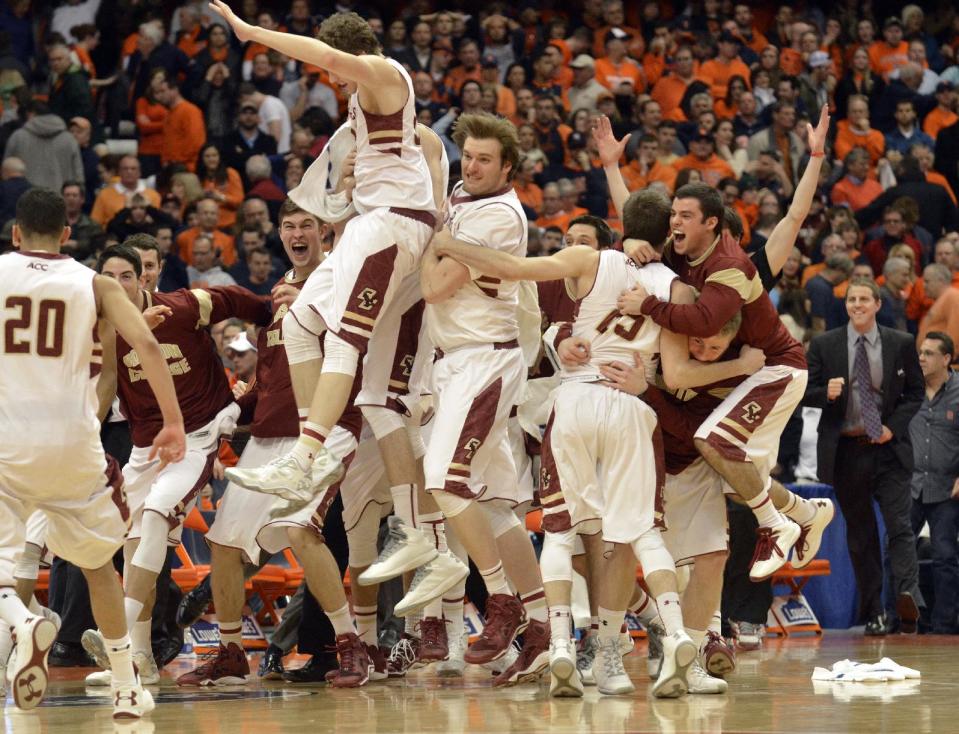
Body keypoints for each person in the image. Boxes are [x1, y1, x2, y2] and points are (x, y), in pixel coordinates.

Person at [211, 8, 450, 598]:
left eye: (336, 64)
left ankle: (309, 454)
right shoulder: (366, 105)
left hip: (394, 226)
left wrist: (251, 33)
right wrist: (349, 180)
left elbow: (328, 61)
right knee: (298, 324)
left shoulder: (381, 70)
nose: (337, 80)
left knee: (345, 337)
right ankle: (391, 507)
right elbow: (373, 161)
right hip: (372, 221)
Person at [599, 106, 831, 581]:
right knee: (730, 474)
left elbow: (793, 217)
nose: (674, 225)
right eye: (674, 218)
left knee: (719, 449)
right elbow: (638, 222)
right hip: (730, 374)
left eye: (685, 216)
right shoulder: (681, 255)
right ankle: (806, 514)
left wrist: (815, 157)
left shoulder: (737, 266)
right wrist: (611, 174)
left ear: (716, 226)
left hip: (767, 365)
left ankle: (775, 526)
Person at [0, 188, 185, 719]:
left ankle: (23, 621)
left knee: (11, 564)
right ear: (66, 233)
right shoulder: (98, 283)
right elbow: (148, 348)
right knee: (100, 566)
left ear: (15, 233)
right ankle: (126, 687)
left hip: (10, 444)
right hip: (73, 445)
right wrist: (172, 423)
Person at [80, 238, 272, 685]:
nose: (126, 282)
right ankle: (139, 661)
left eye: (133, 273)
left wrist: (274, 321)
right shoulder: (104, 325)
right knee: (129, 543)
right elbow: (107, 382)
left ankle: (118, 638)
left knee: (153, 516)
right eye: (112, 277)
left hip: (197, 440)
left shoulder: (188, 306)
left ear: (149, 274)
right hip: (145, 448)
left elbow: (251, 306)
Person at [804, 278, 925, 635]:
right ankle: (874, 612)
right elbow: (801, 391)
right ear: (846, 306)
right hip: (846, 450)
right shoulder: (825, 344)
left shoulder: (900, 343)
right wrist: (824, 392)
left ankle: (907, 597)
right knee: (861, 536)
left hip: (887, 448)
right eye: (851, 299)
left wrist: (893, 426)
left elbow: (916, 392)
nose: (857, 304)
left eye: (863, 299)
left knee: (899, 526)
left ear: (876, 304)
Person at [910, 332, 959, 633]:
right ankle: (900, 619)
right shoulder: (910, 389)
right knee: (896, 554)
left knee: (944, 557)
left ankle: (944, 624)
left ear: (946, 358)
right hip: (911, 484)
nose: (922, 359)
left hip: (946, 489)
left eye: (929, 353)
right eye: (920, 353)